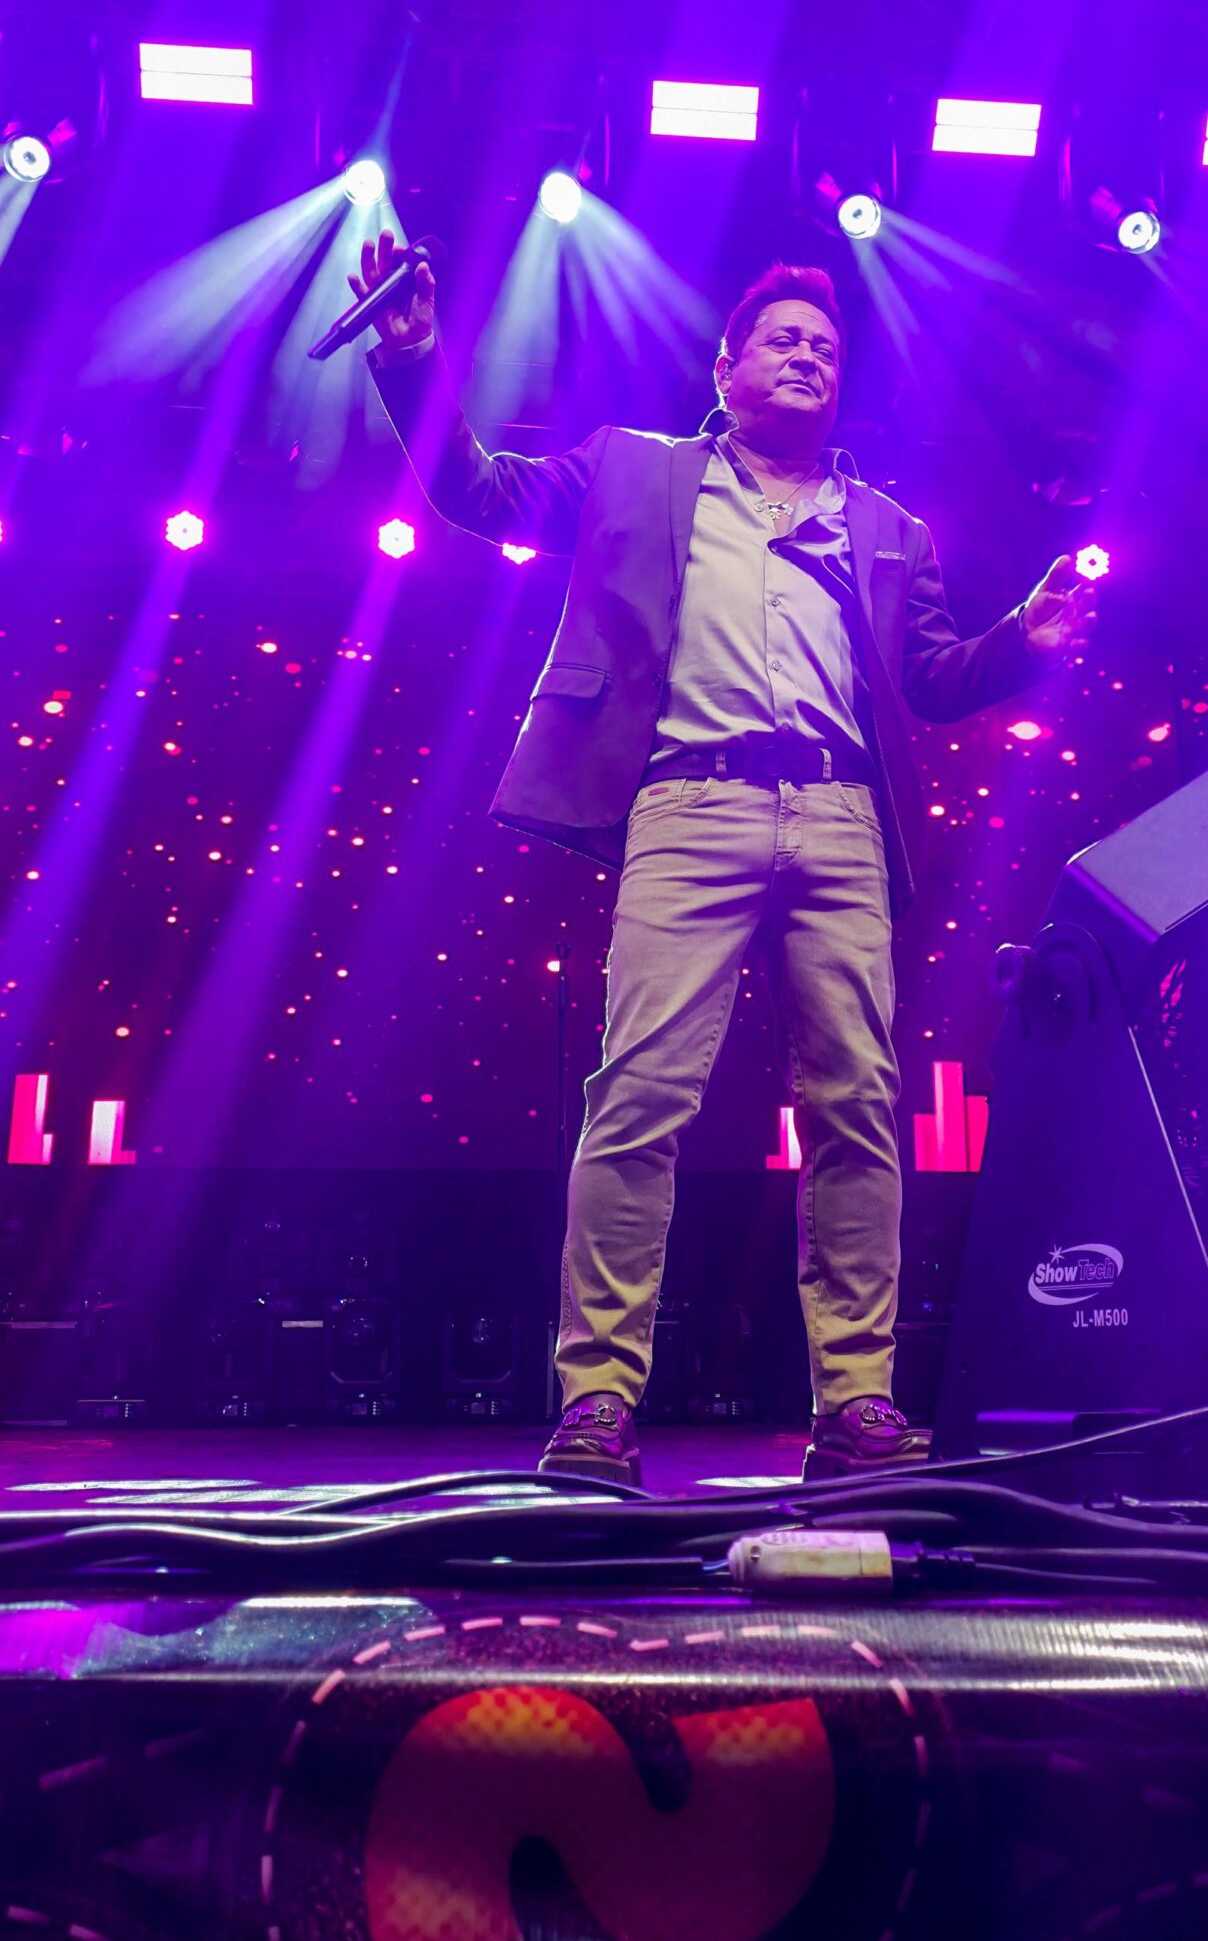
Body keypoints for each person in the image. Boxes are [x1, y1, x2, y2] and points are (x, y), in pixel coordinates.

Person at [353, 231, 1096, 1486]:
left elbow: (929, 679)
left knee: (855, 1105)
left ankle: (855, 1405)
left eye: (826, 349)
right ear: (726, 368)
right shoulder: (632, 469)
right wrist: (418, 359)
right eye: (784, 340)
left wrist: (1021, 640)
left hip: (842, 818)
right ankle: (597, 1402)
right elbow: (475, 493)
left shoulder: (888, 527)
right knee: (638, 1095)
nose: (807, 357)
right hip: (687, 804)